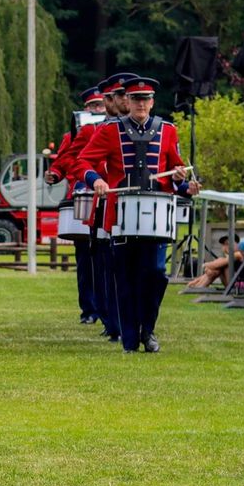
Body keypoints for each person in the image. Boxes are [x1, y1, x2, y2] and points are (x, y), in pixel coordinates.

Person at [75, 76, 200, 353]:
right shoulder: (109, 131)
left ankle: (149, 329)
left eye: (146, 99)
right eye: (136, 99)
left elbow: (176, 171)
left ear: (153, 102)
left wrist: (185, 184)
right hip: (120, 214)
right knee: (125, 276)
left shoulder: (167, 130)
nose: (141, 104)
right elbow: (83, 161)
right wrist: (95, 179)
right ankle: (131, 339)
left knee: (156, 273)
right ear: (127, 101)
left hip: (157, 216)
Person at [45, 85, 108, 324]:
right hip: (82, 194)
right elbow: (64, 160)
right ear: (86, 109)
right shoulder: (74, 134)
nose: (97, 109)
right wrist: (55, 173)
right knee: (85, 257)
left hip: (107, 192)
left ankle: (106, 309)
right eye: (93, 106)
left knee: (106, 256)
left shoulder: (115, 130)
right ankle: (89, 310)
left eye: (100, 105)